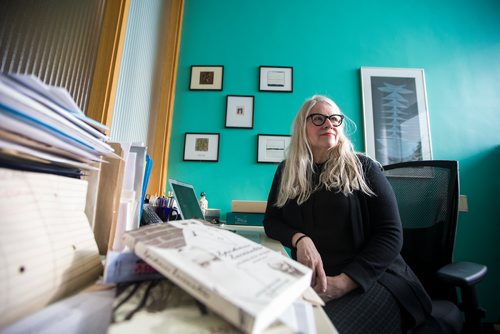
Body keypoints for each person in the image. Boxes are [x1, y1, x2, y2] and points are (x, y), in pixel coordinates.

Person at [263, 95, 432, 333]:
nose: (328, 124)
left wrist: (343, 283)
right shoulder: (287, 171)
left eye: (334, 119)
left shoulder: (364, 168)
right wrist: (300, 239)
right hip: (319, 281)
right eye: (318, 118)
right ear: (303, 127)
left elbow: (391, 234)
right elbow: (272, 221)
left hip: (377, 279)